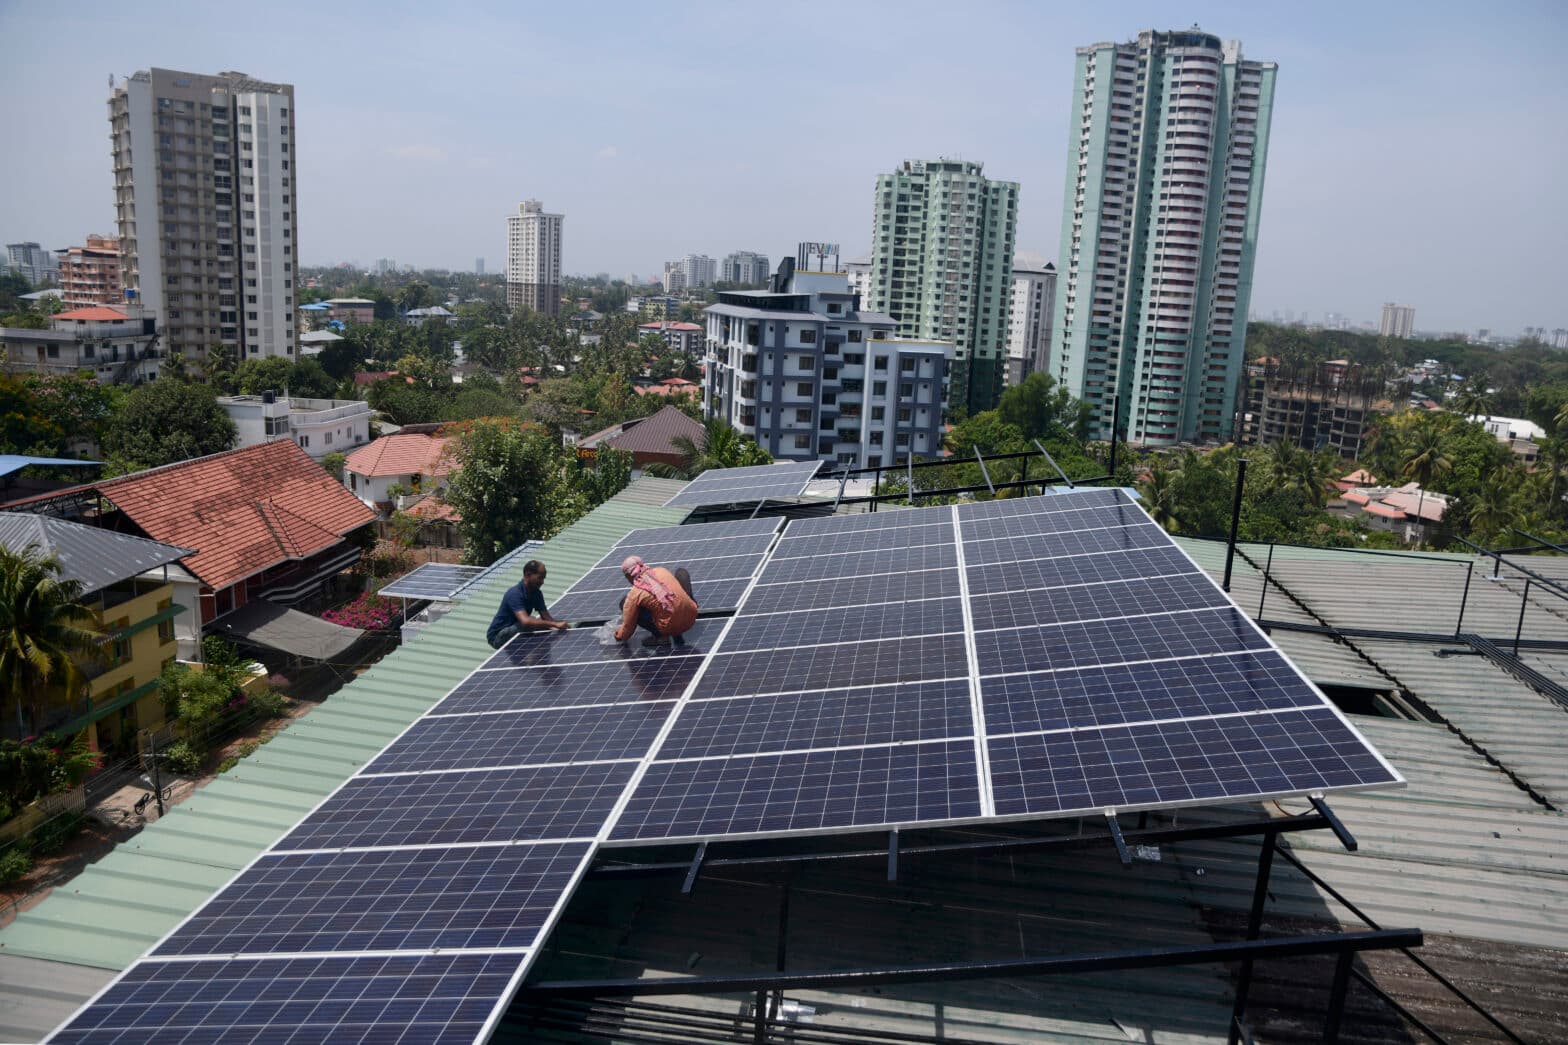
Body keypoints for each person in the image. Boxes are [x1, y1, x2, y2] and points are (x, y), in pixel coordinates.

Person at [614, 555, 698, 648]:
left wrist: (619, 636)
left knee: (627, 604)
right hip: (691, 617)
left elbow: (628, 627)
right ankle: (689, 606)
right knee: (681, 573)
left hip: (670, 627)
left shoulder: (635, 594)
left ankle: (661, 637)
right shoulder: (662, 570)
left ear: (629, 576)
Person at [487, 560, 567, 648]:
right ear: (528, 575)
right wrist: (554, 625)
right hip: (497, 636)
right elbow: (525, 621)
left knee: (539, 624)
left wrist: (561, 626)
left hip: (515, 629)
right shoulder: (514, 593)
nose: (542, 582)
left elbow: (547, 618)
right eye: (540, 578)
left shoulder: (537, 593)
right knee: (529, 622)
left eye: (544, 578)